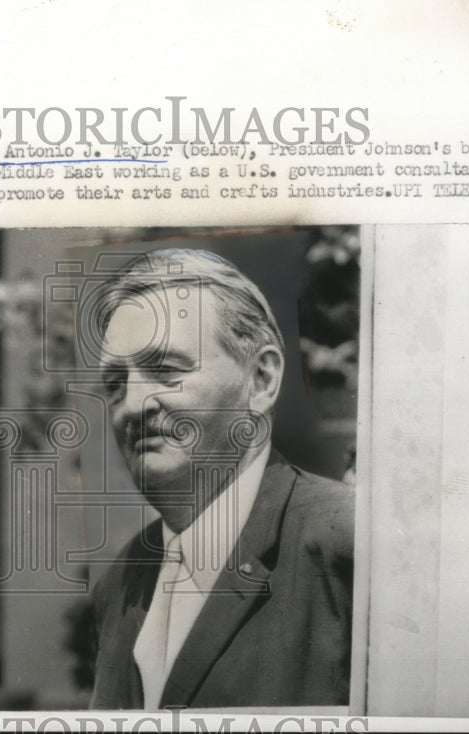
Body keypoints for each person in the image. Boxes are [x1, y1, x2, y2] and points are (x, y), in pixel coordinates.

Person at [88, 248, 354, 710]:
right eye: (116, 384)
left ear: (261, 380)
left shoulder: (345, 543)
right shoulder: (122, 582)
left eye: (166, 371)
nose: (132, 405)